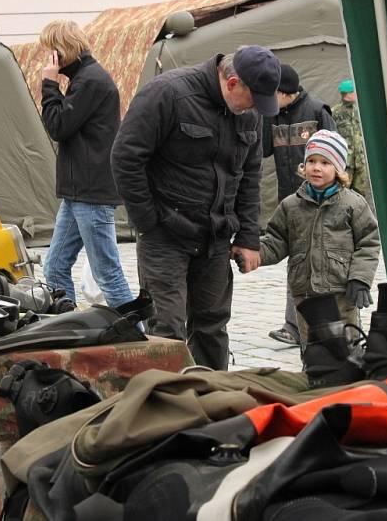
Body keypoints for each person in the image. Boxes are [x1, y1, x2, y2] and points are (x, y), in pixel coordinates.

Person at [111, 45, 281, 370]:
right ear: (232, 84)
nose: (254, 109)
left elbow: (249, 175)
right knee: (167, 332)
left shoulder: (250, 113)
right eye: (253, 100)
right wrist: (148, 222)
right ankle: (168, 407)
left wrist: (247, 237)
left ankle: (213, 399)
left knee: (212, 327)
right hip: (166, 237)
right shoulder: (168, 94)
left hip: (216, 239)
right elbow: (125, 158)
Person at [39, 20, 133, 308]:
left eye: (50, 51)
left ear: (61, 50)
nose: (48, 58)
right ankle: (66, 327)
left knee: (108, 274)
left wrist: (49, 85)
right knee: (54, 268)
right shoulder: (85, 79)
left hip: (91, 193)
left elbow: (58, 126)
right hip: (78, 192)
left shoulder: (90, 81)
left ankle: (138, 338)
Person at [256, 130, 380, 340]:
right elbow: (276, 241)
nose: (316, 168)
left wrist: (360, 279)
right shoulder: (290, 205)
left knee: (346, 346)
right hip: (305, 294)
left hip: (340, 292)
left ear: (338, 168)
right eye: (311, 161)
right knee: (313, 348)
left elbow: (368, 243)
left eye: (325, 162)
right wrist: (252, 251)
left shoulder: (353, 204)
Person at [262, 63, 337, 346]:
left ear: (285, 92)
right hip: (291, 202)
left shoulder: (318, 111)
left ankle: (325, 327)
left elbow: (337, 155)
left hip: (321, 202)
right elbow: (263, 149)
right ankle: (293, 327)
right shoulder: (273, 114)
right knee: (296, 262)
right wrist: (264, 115)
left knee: (322, 263)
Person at [331, 78, 372, 204]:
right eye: (354, 92)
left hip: (360, 161)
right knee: (342, 193)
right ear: (347, 93)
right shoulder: (334, 113)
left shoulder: (360, 110)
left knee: (361, 195)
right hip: (345, 163)